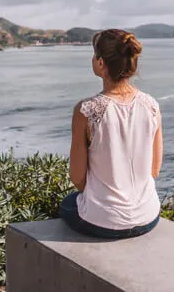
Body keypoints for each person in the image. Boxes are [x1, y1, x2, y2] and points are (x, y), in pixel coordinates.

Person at [59, 29, 163, 239]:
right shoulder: (152, 106)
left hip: (104, 222)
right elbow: (153, 170)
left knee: (67, 203)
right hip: (148, 215)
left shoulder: (86, 110)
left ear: (100, 63)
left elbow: (77, 178)